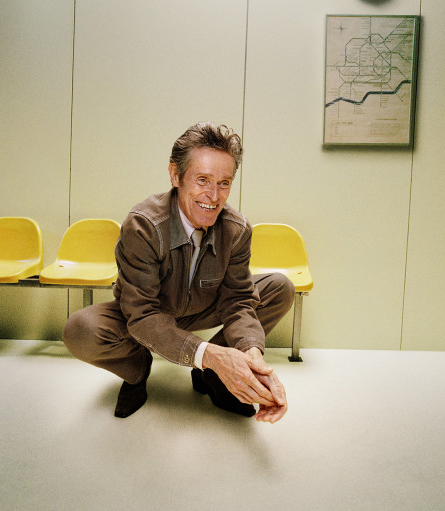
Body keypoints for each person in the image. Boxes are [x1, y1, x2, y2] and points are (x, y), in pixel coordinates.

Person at [63, 122, 294, 423]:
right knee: (81, 329)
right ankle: (136, 372)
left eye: (224, 183)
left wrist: (251, 356)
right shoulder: (143, 225)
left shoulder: (236, 229)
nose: (213, 196)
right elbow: (142, 313)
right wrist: (209, 354)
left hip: (201, 307)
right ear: (175, 175)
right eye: (202, 180)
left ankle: (214, 377)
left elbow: (237, 301)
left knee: (280, 287)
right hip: (145, 316)